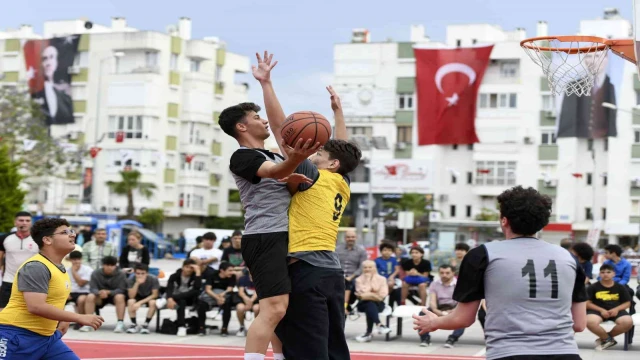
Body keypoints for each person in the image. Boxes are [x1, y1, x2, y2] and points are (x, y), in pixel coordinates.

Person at [219, 50, 320, 360]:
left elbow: (281, 129)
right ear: (241, 127)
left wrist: (266, 82)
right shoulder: (243, 157)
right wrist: (296, 161)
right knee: (273, 307)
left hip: (286, 235)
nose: (264, 120)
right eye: (256, 118)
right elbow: (275, 172)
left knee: (283, 310)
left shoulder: (276, 154)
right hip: (265, 236)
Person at [256, 57, 359, 358]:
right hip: (332, 272)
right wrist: (338, 113)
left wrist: (267, 84)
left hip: (307, 269)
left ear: (331, 164)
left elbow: (280, 128)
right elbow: (343, 149)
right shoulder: (342, 182)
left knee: (307, 349)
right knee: (334, 347)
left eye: (319, 151)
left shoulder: (315, 176)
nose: (313, 153)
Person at [413, 186, 588, 360]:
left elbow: (463, 319)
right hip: (565, 352)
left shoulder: (482, 254)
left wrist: (434, 322)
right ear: (543, 222)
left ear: (504, 220)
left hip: (509, 353)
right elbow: (579, 324)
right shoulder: (568, 258)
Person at [0, 218, 103, 359]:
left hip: (47, 339)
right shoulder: (36, 266)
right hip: (16, 335)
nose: (72, 234)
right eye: (65, 232)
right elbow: (36, 306)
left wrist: (63, 318)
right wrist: (78, 317)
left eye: (71, 231)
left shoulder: (59, 268)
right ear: (47, 240)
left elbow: (52, 301)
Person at [586, 264, 633, 350]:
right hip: (597, 310)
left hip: (616, 310)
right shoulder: (593, 287)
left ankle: (606, 338)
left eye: (608, 272)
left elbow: (627, 303)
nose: (605, 274)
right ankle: (608, 339)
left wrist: (616, 309)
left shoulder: (620, 287)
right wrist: (601, 310)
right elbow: (587, 303)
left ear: (613, 274)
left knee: (628, 322)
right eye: (602, 272)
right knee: (589, 321)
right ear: (599, 274)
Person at [417, 264, 466, 348]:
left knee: (463, 316)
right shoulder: (434, 284)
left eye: (447, 273)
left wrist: (453, 311)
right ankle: (425, 338)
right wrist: (436, 311)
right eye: (442, 273)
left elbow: (461, 302)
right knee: (422, 313)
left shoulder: (459, 284)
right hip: (438, 307)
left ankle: (452, 339)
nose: (444, 275)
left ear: (453, 273)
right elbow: (432, 300)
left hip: (454, 308)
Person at [0, 211, 37, 310]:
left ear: (31, 223)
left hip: (32, 282)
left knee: (29, 311)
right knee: (3, 311)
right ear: (15, 222)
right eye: (21, 220)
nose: (24, 223)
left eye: (27, 220)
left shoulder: (38, 239)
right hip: (9, 281)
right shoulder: (5, 238)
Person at [82, 256, 128, 333]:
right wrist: (99, 292)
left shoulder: (121, 274)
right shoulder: (95, 273)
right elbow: (92, 288)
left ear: (115, 265)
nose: (109, 267)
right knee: (90, 296)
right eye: (107, 265)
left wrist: (109, 292)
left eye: (112, 265)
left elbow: (122, 289)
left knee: (120, 296)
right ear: (103, 265)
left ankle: (120, 323)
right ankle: (88, 323)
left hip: (114, 296)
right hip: (99, 297)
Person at [196, 262, 240, 337]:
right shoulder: (212, 275)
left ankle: (224, 328)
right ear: (222, 270)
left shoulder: (232, 277)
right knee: (201, 304)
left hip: (224, 296)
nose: (232, 272)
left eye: (232, 270)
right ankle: (201, 327)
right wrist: (217, 298)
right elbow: (208, 289)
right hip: (211, 295)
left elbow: (229, 289)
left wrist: (222, 295)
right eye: (230, 270)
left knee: (227, 304)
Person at [354, 260, 391, 342]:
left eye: (370, 267)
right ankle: (379, 325)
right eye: (365, 267)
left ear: (375, 268)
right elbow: (361, 295)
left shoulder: (382, 279)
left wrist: (369, 295)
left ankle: (368, 333)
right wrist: (367, 280)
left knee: (370, 305)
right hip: (362, 304)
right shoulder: (358, 280)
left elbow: (383, 295)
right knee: (369, 304)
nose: (367, 269)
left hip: (379, 304)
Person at [164, 258, 202, 337]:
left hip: (189, 298)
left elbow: (197, 290)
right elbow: (169, 289)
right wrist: (170, 299)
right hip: (177, 299)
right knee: (181, 302)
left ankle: (193, 325)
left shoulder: (195, 277)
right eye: (187, 267)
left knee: (192, 295)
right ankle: (181, 326)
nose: (189, 270)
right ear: (183, 267)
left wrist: (198, 272)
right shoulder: (174, 276)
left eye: (191, 268)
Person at [337, 230, 368, 310]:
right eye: (348, 237)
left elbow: (362, 266)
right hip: (339, 275)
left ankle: (347, 306)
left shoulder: (361, 251)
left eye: (352, 237)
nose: (350, 239)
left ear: (356, 238)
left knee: (354, 285)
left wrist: (351, 277)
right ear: (345, 238)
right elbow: (334, 263)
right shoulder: (337, 249)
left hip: (354, 277)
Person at [125, 263, 160, 334]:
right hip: (137, 296)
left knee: (153, 303)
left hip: (149, 296)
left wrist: (139, 303)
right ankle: (134, 324)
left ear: (147, 273)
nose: (140, 275)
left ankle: (146, 324)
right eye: (138, 273)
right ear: (135, 273)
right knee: (130, 301)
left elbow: (154, 295)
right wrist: (137, 283)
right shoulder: (131, 279)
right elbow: (131, 296)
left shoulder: (153, 279)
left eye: (143, 273)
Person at [65, 250, 93, 326]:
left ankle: (81, 321)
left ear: (81, 259)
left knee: (81, 300)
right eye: (74, 259)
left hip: (83, 291)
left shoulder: (88, 270)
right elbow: (64, 284)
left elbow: (81, 283)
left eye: (78, 259)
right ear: (70, 260)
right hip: (70, 292)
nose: (76, 261)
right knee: (58, 298)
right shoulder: (66, 270)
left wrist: (74, 271)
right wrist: (66, 294)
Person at [374, 242, 400, 307]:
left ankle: (383, 297)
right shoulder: (377, 260)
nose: (387, 252)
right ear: (381, 251)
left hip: (390, 278)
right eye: (385, 250)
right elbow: (374, 271)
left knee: (391, 284)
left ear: (392, 252)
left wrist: (392, 276)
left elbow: (397, 269)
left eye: (389, 250)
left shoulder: (393, 260)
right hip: (379, 279)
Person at [236, 272, 259, 337]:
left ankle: (257, 327)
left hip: (256, 299)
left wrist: (251, 301)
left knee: (256, 308)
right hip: (245, 299)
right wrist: (247, 300)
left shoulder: (260, 277)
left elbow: (258, 291)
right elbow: (241, 292)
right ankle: (242, 326)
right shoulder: (243, 278)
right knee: (240, 308)